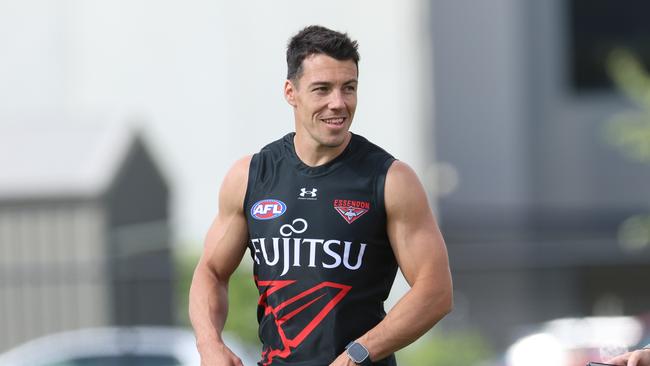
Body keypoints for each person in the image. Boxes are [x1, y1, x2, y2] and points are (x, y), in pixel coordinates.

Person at [189, 25, 453, 366]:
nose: (338, 103)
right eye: (322, 89)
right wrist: (209, 344)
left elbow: (436, 292)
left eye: (349, 88)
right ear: (290, 92)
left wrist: (358, 354)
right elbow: (210, 271)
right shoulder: (250, 176)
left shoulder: (390, 179)